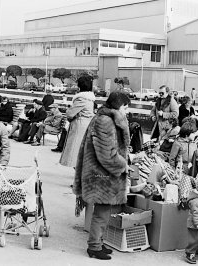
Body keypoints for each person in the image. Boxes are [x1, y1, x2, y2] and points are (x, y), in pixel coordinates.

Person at [72, 91, 132, 260]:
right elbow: (106, 153)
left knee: (103, 211)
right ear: (118, 106)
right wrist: (123, 165)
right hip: (101, 175)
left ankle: (98, 242)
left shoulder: (105, 118)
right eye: (125, 108)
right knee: (102, 212)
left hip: (102, 173)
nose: (126, 112)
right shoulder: (105, 121)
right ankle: (94, 247)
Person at [60, 79, 96, 167]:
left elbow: (70, 113)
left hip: (79, 126)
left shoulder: (81, 99)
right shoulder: (90, 99)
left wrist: (69, 111)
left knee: (75, 152)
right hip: (87, 124)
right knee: (82, 151)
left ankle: (80, 176)